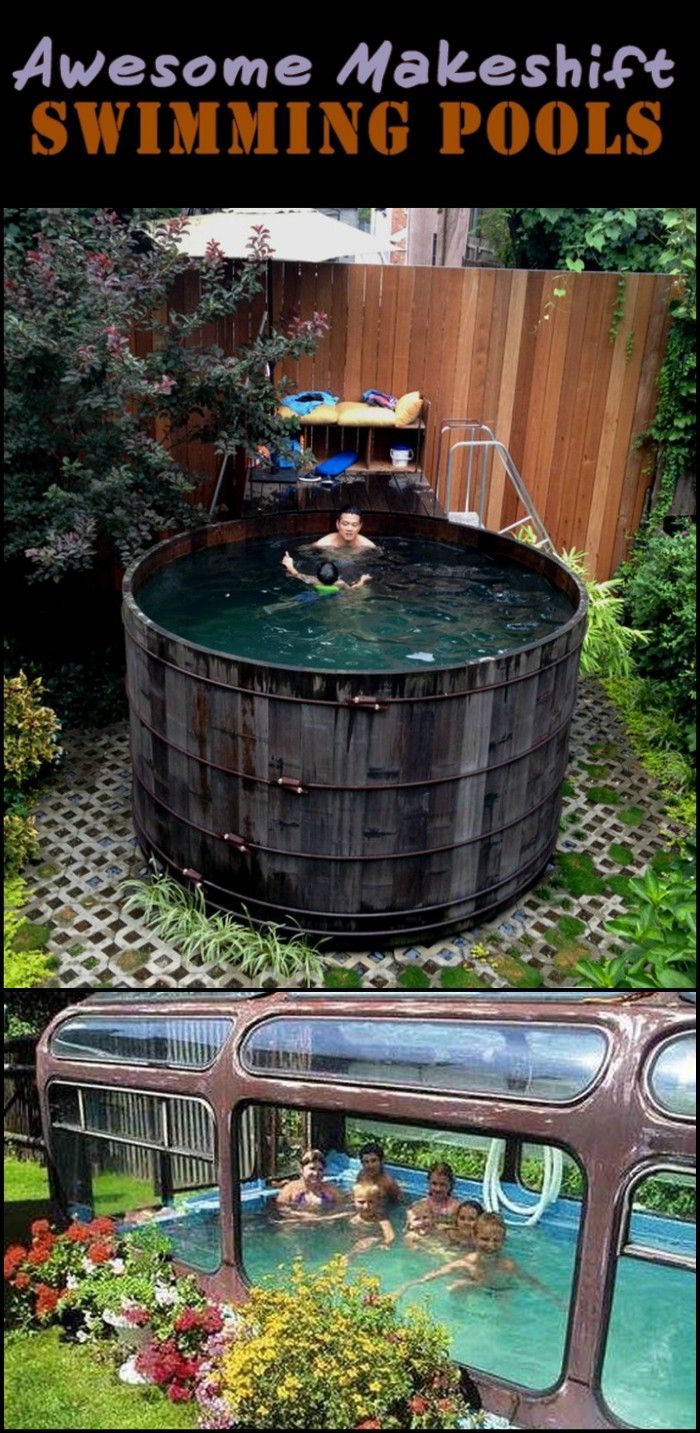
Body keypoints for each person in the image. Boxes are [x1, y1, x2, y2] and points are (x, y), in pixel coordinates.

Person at [394, 1211, 565, 1305]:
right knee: (456, 1287)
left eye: (496, 1240)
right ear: (474, 1238)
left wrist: (557, 1300)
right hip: (481, 1287)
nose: (490, 1245)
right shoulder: (466, 1262)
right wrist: (403, 1288)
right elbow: (431, 1276)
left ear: (503, 1242)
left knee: (505, 1319)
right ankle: (459, 1316)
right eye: (485, 1239)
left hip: (504, 1291)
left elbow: (533, 1283)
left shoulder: (507, 1266)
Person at [273, 1148, 347, 1220]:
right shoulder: (290, 1190)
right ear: (301, 1169)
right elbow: (282, 1209)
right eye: (312, 1168)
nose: (316, 1173)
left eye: (320, 1170)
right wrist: (306, 1216)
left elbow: (343, 1208)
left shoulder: (332, 1190)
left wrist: (325, 1217)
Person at [347, 1182, 395, 1254]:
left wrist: (386, 1243)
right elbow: (331, 1218)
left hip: (372, 1244)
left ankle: (347, 1259)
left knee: (367, 1241)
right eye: (361, 1202)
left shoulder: (380, 1219)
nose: (366, 1206)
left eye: (371, 1202)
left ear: (378, 1201)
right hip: (353, 1240)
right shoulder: (351, 1215)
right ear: (353, 1200)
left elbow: (390, 1235)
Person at [281, 553, 372, 592]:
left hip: (316, 595)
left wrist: (289, 564)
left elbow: (296, 574)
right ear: (337, 577)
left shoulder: (314, 580)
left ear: (317, 575)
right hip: (335, 597)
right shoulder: (340, 583)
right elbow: (353, 589)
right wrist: (362, 580)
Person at [410, 1162, 460, 1228]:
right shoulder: (420, 1205)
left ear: (450, 1185)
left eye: (442, 1184)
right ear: (428, 1183)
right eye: (434, 1183)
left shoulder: (456, 1208)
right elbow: (409, 1230)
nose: (437, 1189)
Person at [311, 506, 377, 551]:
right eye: (345, 524)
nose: (349, 528)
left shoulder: (368, 546)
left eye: (354, 525)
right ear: (337, 524)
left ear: (360, 526)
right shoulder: (324, 544)